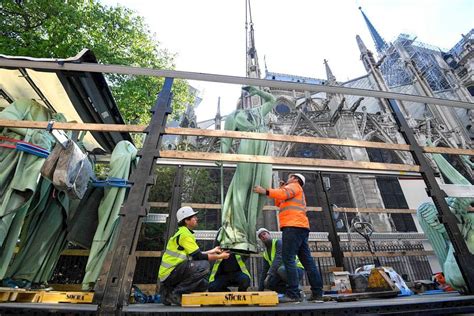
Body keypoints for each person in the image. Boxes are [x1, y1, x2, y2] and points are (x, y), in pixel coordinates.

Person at [218, 86, 277, 253]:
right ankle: (236, 230)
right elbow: (226, 139)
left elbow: (272, 100)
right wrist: (221, 155)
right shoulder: (233, 116)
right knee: (242, 188)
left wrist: (258, 91)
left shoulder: (259, 111)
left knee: (263, 188)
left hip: (264, 147)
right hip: (248, 146)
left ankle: (250, 229)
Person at [254, 173, 324, 303]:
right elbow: (279, 203)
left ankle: (293, 294)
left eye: (290, 176)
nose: (288, 177)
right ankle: (317, 293)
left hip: (292, 226)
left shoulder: (295, 186)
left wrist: (264, 191)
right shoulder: (293, 190)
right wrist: (282, 189)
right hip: (300, 227)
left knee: (288, 259)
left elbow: (282, 195)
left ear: (296, 179)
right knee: (308, 262)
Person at [158, 206, 230, 305]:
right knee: (204, 266)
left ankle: (167, 292)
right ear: (186, 221)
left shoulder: (184, 233)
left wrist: (213, 251)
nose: (196, 219)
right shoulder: (185, 235)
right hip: (171, 273)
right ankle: (177, 293)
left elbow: (196, 254)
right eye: (193, 217)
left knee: (203, 285)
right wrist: (220, 256)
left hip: (171, 273)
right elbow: (199, 257)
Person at [257, 228, 304, 294]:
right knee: (268, 283)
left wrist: (269, 274)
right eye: (261, 237)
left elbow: (278, 259)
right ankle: (292, 293)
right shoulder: (265, 254)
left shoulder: (279, 242)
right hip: (281, 272)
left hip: (296, 270)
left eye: (264, 234)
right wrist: (259, 292)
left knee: (281, 270)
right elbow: (264, 271)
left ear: (269, 234)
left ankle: (296, 288)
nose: (263, 237)